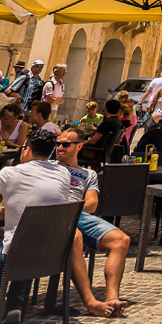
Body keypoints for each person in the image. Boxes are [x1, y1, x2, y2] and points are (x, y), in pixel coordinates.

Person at [0, 129, 120, 320]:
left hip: (15, 256)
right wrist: (18, 210)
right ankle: (15, 303)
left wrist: (13, 210)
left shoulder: (8, 173)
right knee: (29, 239)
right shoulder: (63, 174)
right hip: (50, 256)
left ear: (27, 150)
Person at [52, 126, 131, 311]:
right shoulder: (50, 167)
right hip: (54, 214)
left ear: (78, 147)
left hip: (79, 214)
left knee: (121, 240)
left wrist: (72, 204)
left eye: (65, 145)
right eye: (58, 144)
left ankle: (112, 299)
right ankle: (89, 301)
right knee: (75, 239)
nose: (60, 148)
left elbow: (92, 204)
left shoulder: (88, 174)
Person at [79, 99, 125, 166]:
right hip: (105, 152)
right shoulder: (118, 122)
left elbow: (93, 140)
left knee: (72, 148)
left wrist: (83, 142)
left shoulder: (107, 123)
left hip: (95, 152)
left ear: (106, 109)